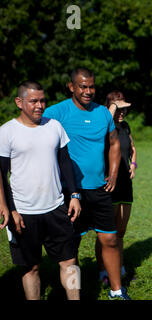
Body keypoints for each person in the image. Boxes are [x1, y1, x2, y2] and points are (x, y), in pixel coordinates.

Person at [43, 68, 130, 299]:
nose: (88, 91)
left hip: (99, 190)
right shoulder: (56, 112)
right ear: (72, 87)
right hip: (70, 192)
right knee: (71, 247)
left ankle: (116, 291)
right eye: (83, 87)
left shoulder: (102, 113)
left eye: (92, 86)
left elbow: (113, 144)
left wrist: (112, 173)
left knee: (109, 239)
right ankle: (75, 294)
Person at [0, 81, 81, 300]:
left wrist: (74, 195)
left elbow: (66, 163)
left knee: (70, 262)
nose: (39, 105)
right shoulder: (7, 132)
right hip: (24, 213)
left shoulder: (54, 126)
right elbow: (1, 175)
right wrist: (11, 209)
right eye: (33, 101)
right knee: (30, 267)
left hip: (56, 207)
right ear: (19, 102)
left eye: (42, 100)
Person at [95, 91, 137, 286]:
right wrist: (111, 109)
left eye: (124, 108)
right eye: (118, 108)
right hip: (108, 185)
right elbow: (102, 130)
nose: (122, 112)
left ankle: (120, 269)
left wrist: (133, 164)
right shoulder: (103, 127)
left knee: (120, 231)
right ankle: (103, 271)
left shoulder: (125, 126)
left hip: (125, 186)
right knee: (106, 233)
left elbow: (133, 149)